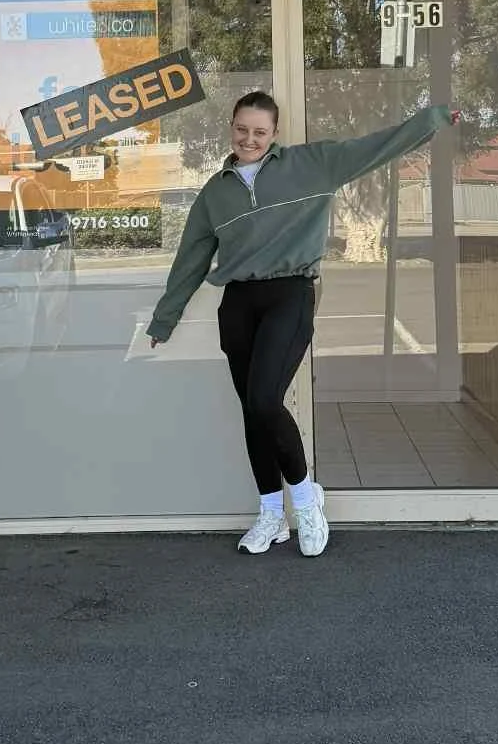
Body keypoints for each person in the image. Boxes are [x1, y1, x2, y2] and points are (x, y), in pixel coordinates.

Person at [148, 90, 455, 557]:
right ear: (231, 127)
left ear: (275, 134)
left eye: (260, 131)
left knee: (265, 400)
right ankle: (272, 514)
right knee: (253, 410)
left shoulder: (312, 165)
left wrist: (430, 120)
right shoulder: (215, 193)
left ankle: (307, 499)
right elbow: (191, 258)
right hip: (238, 303)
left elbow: (377, 146)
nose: (249, 139)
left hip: (290, 295)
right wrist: (164, 319)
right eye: (242, 129)